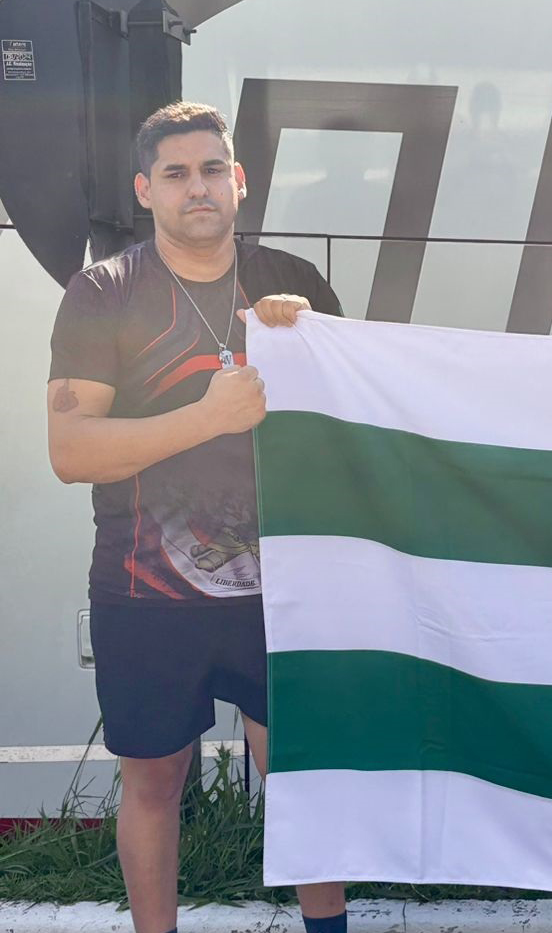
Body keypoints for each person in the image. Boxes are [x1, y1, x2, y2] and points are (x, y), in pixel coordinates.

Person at [46, 102, 348, 933]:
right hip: (145, 590)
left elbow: (351, 419)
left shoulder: (292, 281)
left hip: (282, 588)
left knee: (300, 774)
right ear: (145, 190)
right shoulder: (105, 292)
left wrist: (308, 339)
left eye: (213, 169)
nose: (198, 187)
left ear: (239, 180)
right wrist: (207, 418)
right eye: (175, 174)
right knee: (153, 781)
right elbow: (71, 450)